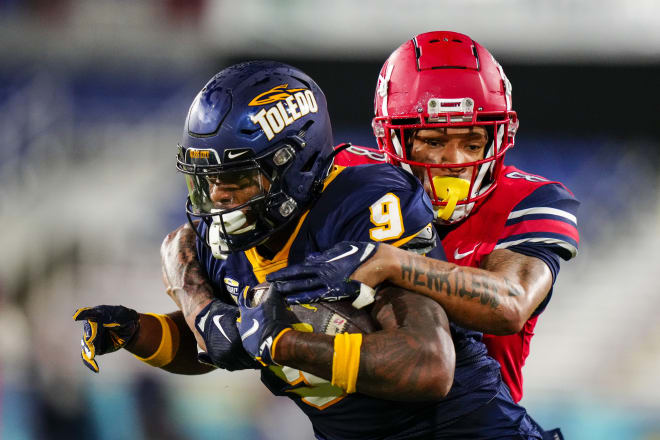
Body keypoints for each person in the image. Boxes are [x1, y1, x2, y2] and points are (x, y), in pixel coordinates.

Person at [74, 60, 543, 439]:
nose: (219, 198)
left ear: (292, 166)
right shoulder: (223, 237)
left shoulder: (364, 204)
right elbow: (226, 342)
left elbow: (428, 366)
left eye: (237, 177)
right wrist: (140, 332)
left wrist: (285, 342)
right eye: (208, 180)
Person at [273, 30, 579, 412]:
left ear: (498, 138)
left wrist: (389, 261)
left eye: (472, 143)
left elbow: (510, 303)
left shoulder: (530, 200)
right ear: (393, 141)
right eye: (434, 141)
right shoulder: (349, 178)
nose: (454, 161)